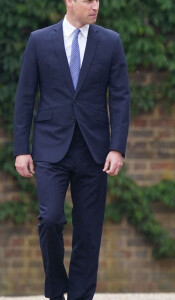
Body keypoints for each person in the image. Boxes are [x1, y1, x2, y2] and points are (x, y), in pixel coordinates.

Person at [13, 0, 130, 299]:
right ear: (70, 1)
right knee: (50, 218)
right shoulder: (39, 40)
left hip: (94, 150)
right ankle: (55, 288)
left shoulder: (110, 41)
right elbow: (25, 96)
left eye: (97, 0)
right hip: (50, 148)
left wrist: (117, 147)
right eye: (88, 0)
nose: (95, 5)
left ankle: (80, 295)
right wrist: (20, 149)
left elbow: (119, 98)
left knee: (89, 232)